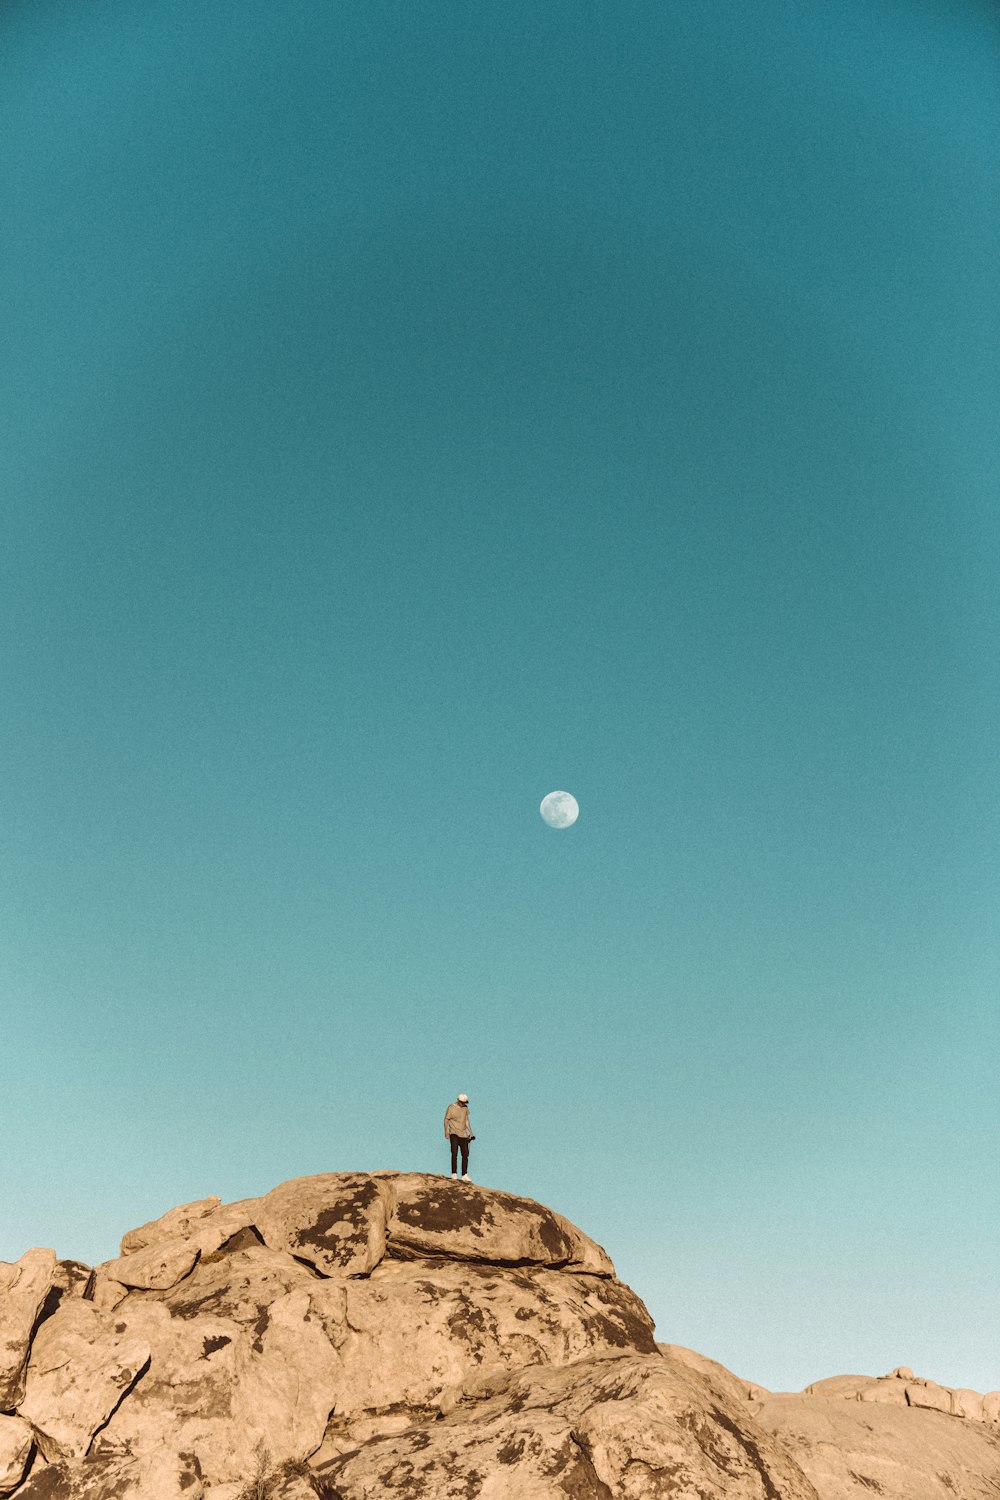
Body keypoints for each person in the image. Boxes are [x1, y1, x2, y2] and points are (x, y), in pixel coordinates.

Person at [444, 1092, 474, 1181]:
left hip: (463, 1133)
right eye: (462, 1102)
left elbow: (466, 1121)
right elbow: (446, 1120)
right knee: (454, 1152)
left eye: (465, 1103)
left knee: (465, 1154)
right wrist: (446, 1132)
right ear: (458, 1100)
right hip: (453, 1132)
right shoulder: (451, 1107)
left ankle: (464, 1174)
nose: (463, 1104)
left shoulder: (465, 1108)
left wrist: (471, 1132)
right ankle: (454, 1173)